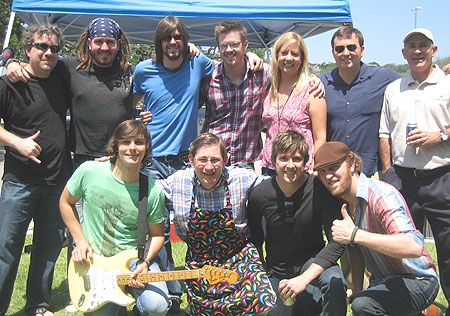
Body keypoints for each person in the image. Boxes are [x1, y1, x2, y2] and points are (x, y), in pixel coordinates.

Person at [313, 141, 440, 316]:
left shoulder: (380, 195)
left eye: (334, 167)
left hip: (418, 280)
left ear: (352, 165)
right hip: (383, 282)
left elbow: (414, 246)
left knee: (364, 305)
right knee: (361, 302)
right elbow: (355, 250)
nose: (328, 176)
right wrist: (357, 288)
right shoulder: (346, 205)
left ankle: (424, 309)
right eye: (322, 171)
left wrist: (356, 234)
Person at [59, 120, 169, 316]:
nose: (132, 148)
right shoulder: (89, 171)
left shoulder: (152, 190)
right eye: (126, 142)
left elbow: (158, 235)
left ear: (147, 148)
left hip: (134, 260)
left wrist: (144, 262)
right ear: (116, 146)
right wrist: (80, 241)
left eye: (139, 142)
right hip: (95, 263)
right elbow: (65, 202)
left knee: (157, 305)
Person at [159, 133, 277, 315]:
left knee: (261, 300)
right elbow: (144, 191)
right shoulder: (178, 182)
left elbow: (277, 186)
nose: (208, 166)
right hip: (200, 263)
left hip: (239, 257)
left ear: (225, 160)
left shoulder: (241, 178)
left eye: (215, 160)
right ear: (191, 160)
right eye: (202, 160)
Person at [0, 24, 70, 316]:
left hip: (57, 181)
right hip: (20, 183)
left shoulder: (63, 78)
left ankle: (38, 305)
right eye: (42, 46)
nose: (48, 53)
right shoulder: (9, 84)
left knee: (48, 248)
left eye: (54, 48)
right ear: (28, 49)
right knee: (6, 248)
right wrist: (16, 143)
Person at [379, 28, 450, 315]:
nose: (417, 51)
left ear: (434, 51)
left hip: (441, 179)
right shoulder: (393, 89)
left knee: (446, 252)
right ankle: (409, 306)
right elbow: (384, 133)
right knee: (403, 252)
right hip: (402, 180)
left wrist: (440, 137)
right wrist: (387, 174)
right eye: (412, 46)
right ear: (403, 53)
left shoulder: (447, 85)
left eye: (424, 46)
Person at [247, 130, 346, 316]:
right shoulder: (259, 195)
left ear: (306, 161)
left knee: (335, 281)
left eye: (297, 159)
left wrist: (305, 278)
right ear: (273, 160)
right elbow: (255, 241)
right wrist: (261, 278)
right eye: (284, 158)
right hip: (278, 268)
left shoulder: (320, 189)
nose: (290, 165)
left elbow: (337, 240)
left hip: (312, 260)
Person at [201, 23, 324, 169]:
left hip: (247, 162)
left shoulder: (263, 75)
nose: (229, 49)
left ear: (245, 45)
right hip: (212, 162)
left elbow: (290, 72)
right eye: (223, 45)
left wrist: (315, 77)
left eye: (234, 44)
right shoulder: (208, 77)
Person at [320, 26, 401, 177]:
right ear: (333, 53)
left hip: (371, 172)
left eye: (351, 47)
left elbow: (415, 81)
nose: (346, 53)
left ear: (362, 50)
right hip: (334, 173)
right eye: (339, 49)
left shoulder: (383, 78)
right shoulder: (322, 82)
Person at [261, 32, 327, 175]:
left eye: (295, 54)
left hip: (299, 168)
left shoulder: (312, 90)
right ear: (276, 56)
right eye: (284, 53)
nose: (288, 58)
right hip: (270, 167)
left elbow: (320, 136)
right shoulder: (268, 88)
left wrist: (315, 166)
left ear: (302, 58)